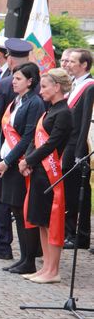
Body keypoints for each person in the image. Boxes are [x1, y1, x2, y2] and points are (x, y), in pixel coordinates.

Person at [0, 38, 33, 263]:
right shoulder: (40, 83)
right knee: (26, 201)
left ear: (9, 58)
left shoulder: (2, 85)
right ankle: (33, 248)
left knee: (0, 199)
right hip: (30, 154)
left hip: (7, 151)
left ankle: (4, 245)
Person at [18, 68, 72, 283]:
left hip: (52, 174)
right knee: (41, 220)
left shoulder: (64, 113)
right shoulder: (48, 111)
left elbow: (52, 144)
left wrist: (28, 160)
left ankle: (53, 270)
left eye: (45, 86)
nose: (41, 91)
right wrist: (28, 160)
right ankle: (45, 268)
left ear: (57, 87)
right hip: (39, 172)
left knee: (51, 222)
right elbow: (34, 139)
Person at [0, 62, 44, 274]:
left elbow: (28, 137)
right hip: (7, 163)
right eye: (13, 78)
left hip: (20, 163)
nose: (13, 81)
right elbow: (3, 132)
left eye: (18, 78)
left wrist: (7, 161)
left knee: (22, 212)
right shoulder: (16, 101)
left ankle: (29, 259)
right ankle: (23, 257)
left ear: (30, 81)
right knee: (13, 208)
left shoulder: (35, 103)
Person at [63, 48, 94, 250]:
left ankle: (79, 235)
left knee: (78, 193)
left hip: (78, 146)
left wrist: (79, 152)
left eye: (73, 61)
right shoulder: (75, 84)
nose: (69, 64)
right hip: (69, 143)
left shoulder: (89, 87)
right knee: (69, 191)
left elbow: (85, 122)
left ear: (84, 65)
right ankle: (69, 232)